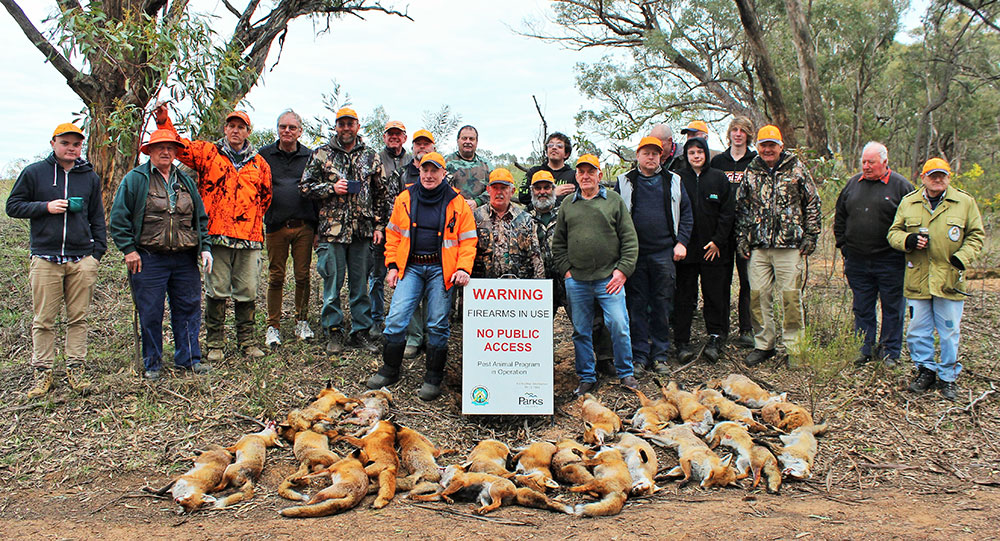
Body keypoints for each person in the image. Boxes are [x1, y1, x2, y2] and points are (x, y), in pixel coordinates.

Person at [154, 106, 272, 360]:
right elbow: (178, 146)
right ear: (225, 128)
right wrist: (164, 121)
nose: (236, 130)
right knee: (216, 289)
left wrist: (248, 218)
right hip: (216, 234)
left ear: (248, 131)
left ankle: (247, 342)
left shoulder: (259, 163)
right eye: (232, 126)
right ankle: (215, 344)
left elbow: (265, 197)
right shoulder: (208, 153)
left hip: (249, 238)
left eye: (241, 127)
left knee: (248, 289)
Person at [365, 152, 477, 400]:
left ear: (443, 173)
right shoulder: (405, 198)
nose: (428, 175)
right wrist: (392, 265)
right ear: (418, 170)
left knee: (437, 323)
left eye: (434, 171)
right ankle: (390, 370)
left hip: (441, 270)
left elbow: (468, 241)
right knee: (396, 318)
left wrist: (462, 268)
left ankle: (433, 378)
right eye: (425, 170)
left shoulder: (458, 203)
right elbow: (393, 235)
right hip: (411, 267)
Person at [6, 122, 106, 398]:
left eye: (76, 144)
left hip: (81, 258)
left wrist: (96, 253)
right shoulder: (34, 173)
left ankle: (76, 369)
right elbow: (12, 206)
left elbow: (97, 216)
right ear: (53, 144)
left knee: (78, 318)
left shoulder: (89, 177)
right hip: (46, 257)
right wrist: (45, 207)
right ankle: (43, 373)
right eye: (66, 143)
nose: (71, 148)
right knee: (44, 319)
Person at [108, 129, 213, 380]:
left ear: (176, 152)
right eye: (160, 147)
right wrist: (129, 250)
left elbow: (200, 218)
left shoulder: (185, 181)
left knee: (188, 308)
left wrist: (205, 247)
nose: (165, 152)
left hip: (184, 259)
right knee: (151, 311)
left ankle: (188, 360)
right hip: (148, 258)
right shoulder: (135, 179)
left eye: (170, 148)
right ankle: (153, 364)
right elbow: (118, 219)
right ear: (150, 151)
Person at [888, 158, 984, 401]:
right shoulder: (909, 202)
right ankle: (926, 370)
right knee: (918, 330)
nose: (937, 179)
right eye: (933, 175)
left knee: (949, 331)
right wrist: (907, 241)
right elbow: (893, 233)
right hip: (918, 277)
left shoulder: (964, 202)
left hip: (948, 278)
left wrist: (963, 257)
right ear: (923, 177)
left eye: (942, 175)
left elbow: (976, 236)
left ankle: (948, 377)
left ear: (949, 177)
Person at [300, 107, 388, 355]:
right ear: (336, 126)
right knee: (332, 284)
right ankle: (334, 331)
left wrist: (379, 225)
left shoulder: (371, 156)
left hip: (362, 232)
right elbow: (304, 188)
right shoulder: (321, 154)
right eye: (342, 124)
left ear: (358, 126)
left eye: (351, 124)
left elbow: (382, 194)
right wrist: (331, 188)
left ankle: (360, 331)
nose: (346, 128)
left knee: (360, 286)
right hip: (332, 232)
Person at [553, 154, 640, 394]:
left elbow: (630, 240)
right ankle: (587, 377)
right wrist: (567, 272)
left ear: (600, 175)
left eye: (591, 171)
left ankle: (626, 373)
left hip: (609, 279)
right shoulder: (568, 205)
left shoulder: (613, 201)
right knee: (581, 330)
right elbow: (558, 244)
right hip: (577, 281)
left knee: (619, 324)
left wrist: (622, 272)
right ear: (576, 176)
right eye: (581, 172)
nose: (586, 176)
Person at [735, 125, 821, 366]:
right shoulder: (751, 171)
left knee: (791, 298)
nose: (767, 149)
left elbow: (812, 203)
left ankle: (795, 348)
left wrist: (811, 236)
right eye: (763, 145)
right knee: (758, 296)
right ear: (758, 147)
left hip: (790, 246)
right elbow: (741, 207)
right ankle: (764, 345)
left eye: (772, 145)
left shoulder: (796, 168)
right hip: (758, 247)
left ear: (781, 146)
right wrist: (742, 238)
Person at [614, 137, 692, 373]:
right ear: (637, 155)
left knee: (661, 304)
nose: (651, 157)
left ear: (662, 156)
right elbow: (615, 216)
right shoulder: (625, 181)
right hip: (634, 254)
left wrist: (682, 242)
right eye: (646, 153)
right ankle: (639, 357)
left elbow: (687, 213)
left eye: (655, 154)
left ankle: (660, 356)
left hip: (664, 253)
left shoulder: (674, 181)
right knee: (636, 305)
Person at [834, 141, 913, 366]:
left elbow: (913, 221)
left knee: (892, 307)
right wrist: (844, 246)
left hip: (890, 260)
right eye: (864, 162)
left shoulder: (901, 187)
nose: (866, 166)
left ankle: (889, 351)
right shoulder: (852, 185)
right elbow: (840, 217)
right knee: (862, 306)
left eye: (872, 162)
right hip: (857, 260)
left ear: (885, 162)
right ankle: (864, 348)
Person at [672, 137, 735, 364]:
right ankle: (682, 342)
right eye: (691, 153)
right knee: (684, 297)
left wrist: (718, 241)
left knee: (714, 295)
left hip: (714, 250)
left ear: (706, 154)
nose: (696, 156)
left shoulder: (718, 178)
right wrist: (679, 242)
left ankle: (716, 339)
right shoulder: (678, 179)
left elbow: (728, 213)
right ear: (686, 156)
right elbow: (673, 212)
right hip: (686, 251)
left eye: (700, 152)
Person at [260, 109, 316, 348]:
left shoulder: (310, 156)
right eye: (283, 127)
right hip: (276, 225)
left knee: (303, 276)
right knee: (276, 277)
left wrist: (318, 228)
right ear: (277, 129)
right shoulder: (264, 155)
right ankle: (273, 326)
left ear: (300, 131)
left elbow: (317, 191)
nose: (287, 131)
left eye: (292, 127)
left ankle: (301, 321)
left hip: (304, 225)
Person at [711, 116, 757, 347]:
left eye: (743, 131)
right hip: (722, 231)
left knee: (747, 281)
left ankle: (746, 329)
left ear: (749, 135)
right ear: (729, 133)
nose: (738, 134)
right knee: (722, 281)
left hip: (747, 231)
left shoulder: (755, 161)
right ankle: (721, 329)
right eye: (734, 130)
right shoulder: (719, 161)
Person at [369, 120, 412, 337]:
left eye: (399, 134)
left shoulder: (413, 161)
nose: (394, 137)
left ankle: (401, 319)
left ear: (405, 138)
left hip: (407, 231)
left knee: (404, 274)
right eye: (390, 134)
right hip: (382, 226)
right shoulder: (375, 159)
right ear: (384, 137)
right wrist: (376, 224)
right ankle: (376, 319)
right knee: (377, 275)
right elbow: (371, 195)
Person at [472, 168, 543, 279]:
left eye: (504, 188)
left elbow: (535, 255)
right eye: (495, 188)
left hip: (517, 288)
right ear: (488, 190)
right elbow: (465, 251)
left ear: (512, 191)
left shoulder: (525, 219)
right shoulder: (475, 217)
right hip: (483, 288)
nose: (499, 192)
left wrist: (540, 284)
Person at [527, 170, 567, 313]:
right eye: (538, 188)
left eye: (547, 187)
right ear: (532, 191)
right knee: (538, 330)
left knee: (581, 326)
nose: (542, 192)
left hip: (566, 279)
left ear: (554, 190)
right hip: (538, 284)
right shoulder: (524, 218)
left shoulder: (565, 213)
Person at [518, 132, 577, 207]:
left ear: (566, 154)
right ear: (546, 151)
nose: (554, 148)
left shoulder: (574, 175)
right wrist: (552, 193)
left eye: (559, 146)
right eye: (550, 145)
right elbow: (522, 197)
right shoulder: (534, 172)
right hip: (535, 216)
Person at [445, 125, 492, 210]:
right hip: (452, 211)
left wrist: (477, 202)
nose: (468, 142)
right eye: (464, 138)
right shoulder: (445, 162)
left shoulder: (486, 165)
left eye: (471, 139)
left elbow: (494, 188)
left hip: (480, 214)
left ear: (476, 142)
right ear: (458, 141)